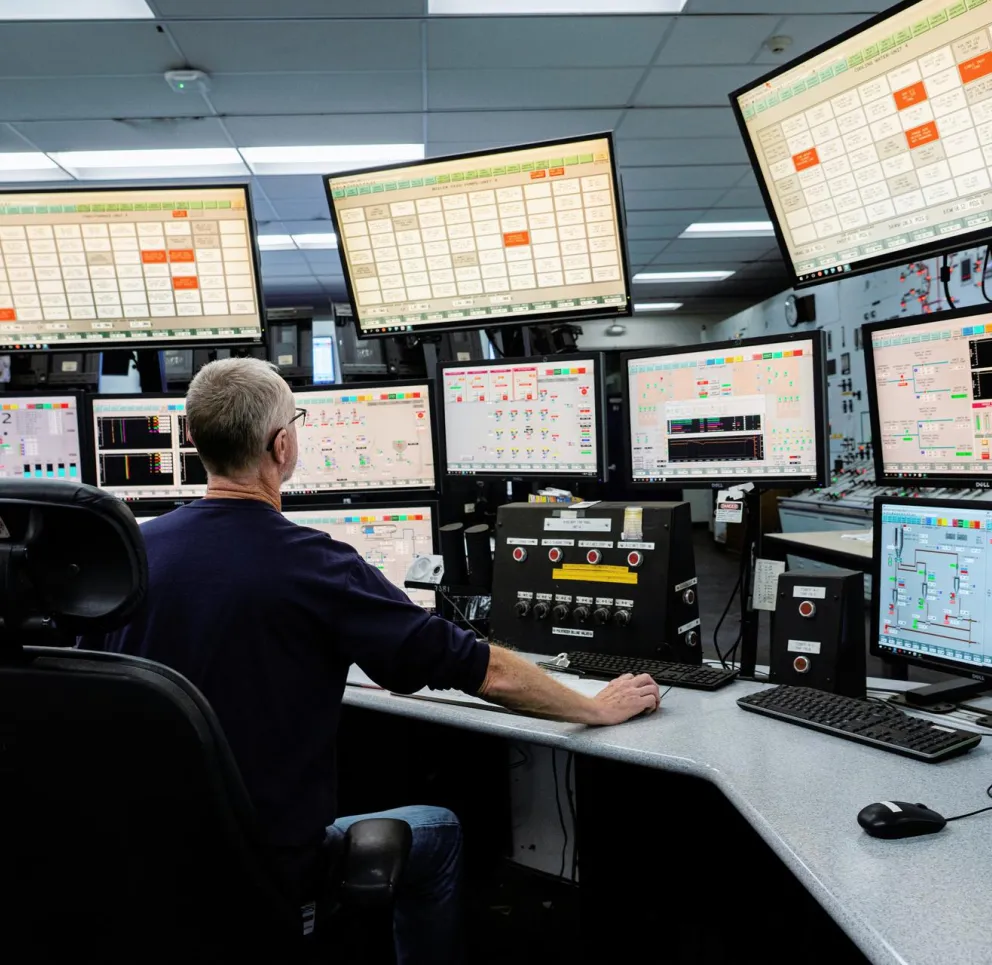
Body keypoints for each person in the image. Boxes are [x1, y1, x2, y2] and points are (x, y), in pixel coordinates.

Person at [80, 358, 660, 965]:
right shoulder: (314, 564)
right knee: (439, 828)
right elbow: (487, 669)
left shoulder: (131, 560)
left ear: (195, 440)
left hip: (146, 859)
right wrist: (592, 707)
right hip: (270, 868)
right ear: (283, 445)